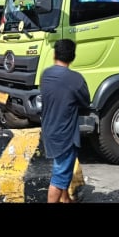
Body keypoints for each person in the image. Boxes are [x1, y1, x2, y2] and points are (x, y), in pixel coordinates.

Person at [39, 38, 91, 203]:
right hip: (65, 134)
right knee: (60, 175)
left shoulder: (45, 74)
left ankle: (65, 199)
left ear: (54, 54)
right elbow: (85, 101)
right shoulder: (76, 79)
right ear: (73, 57)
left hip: (49, 130)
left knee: (63, 168)